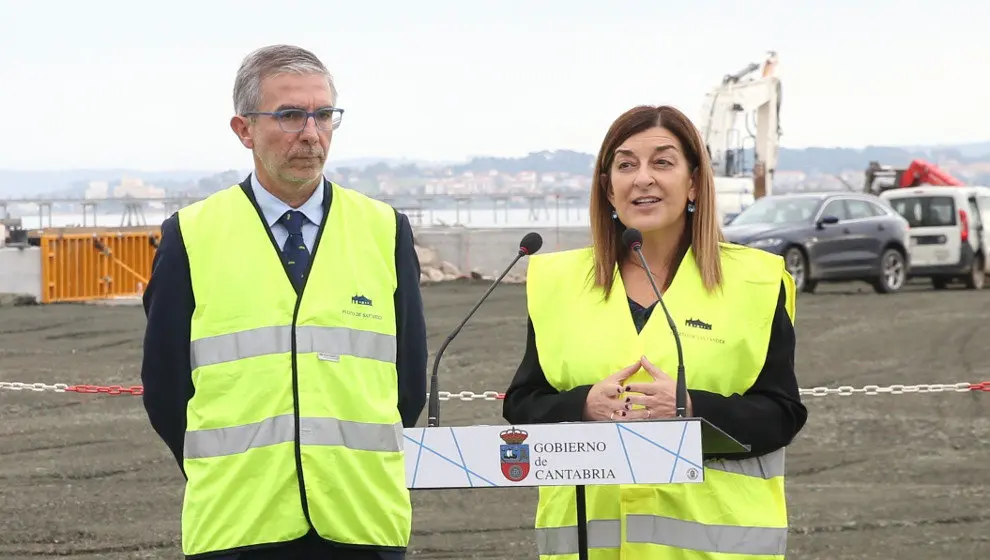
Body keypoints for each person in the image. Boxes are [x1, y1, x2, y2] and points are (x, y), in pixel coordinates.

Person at [140, 44, 427, 560]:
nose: (311, 134)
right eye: (291, 115)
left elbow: (407, 382)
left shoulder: (384, 230)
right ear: (243, 129)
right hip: (238, 521)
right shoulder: (192, 235)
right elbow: (164, 387)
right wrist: (225, 468)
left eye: (323, 115)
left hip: (360, 519)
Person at [502, 105, 808, 559]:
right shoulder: (558, 283)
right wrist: (583, 405)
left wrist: (690, 407)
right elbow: (522, 403)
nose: (642, 178)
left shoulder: (756, 282)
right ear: (608, 189)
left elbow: (781, 413)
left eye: (662, 162)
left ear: (693, 182)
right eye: (626, 164)